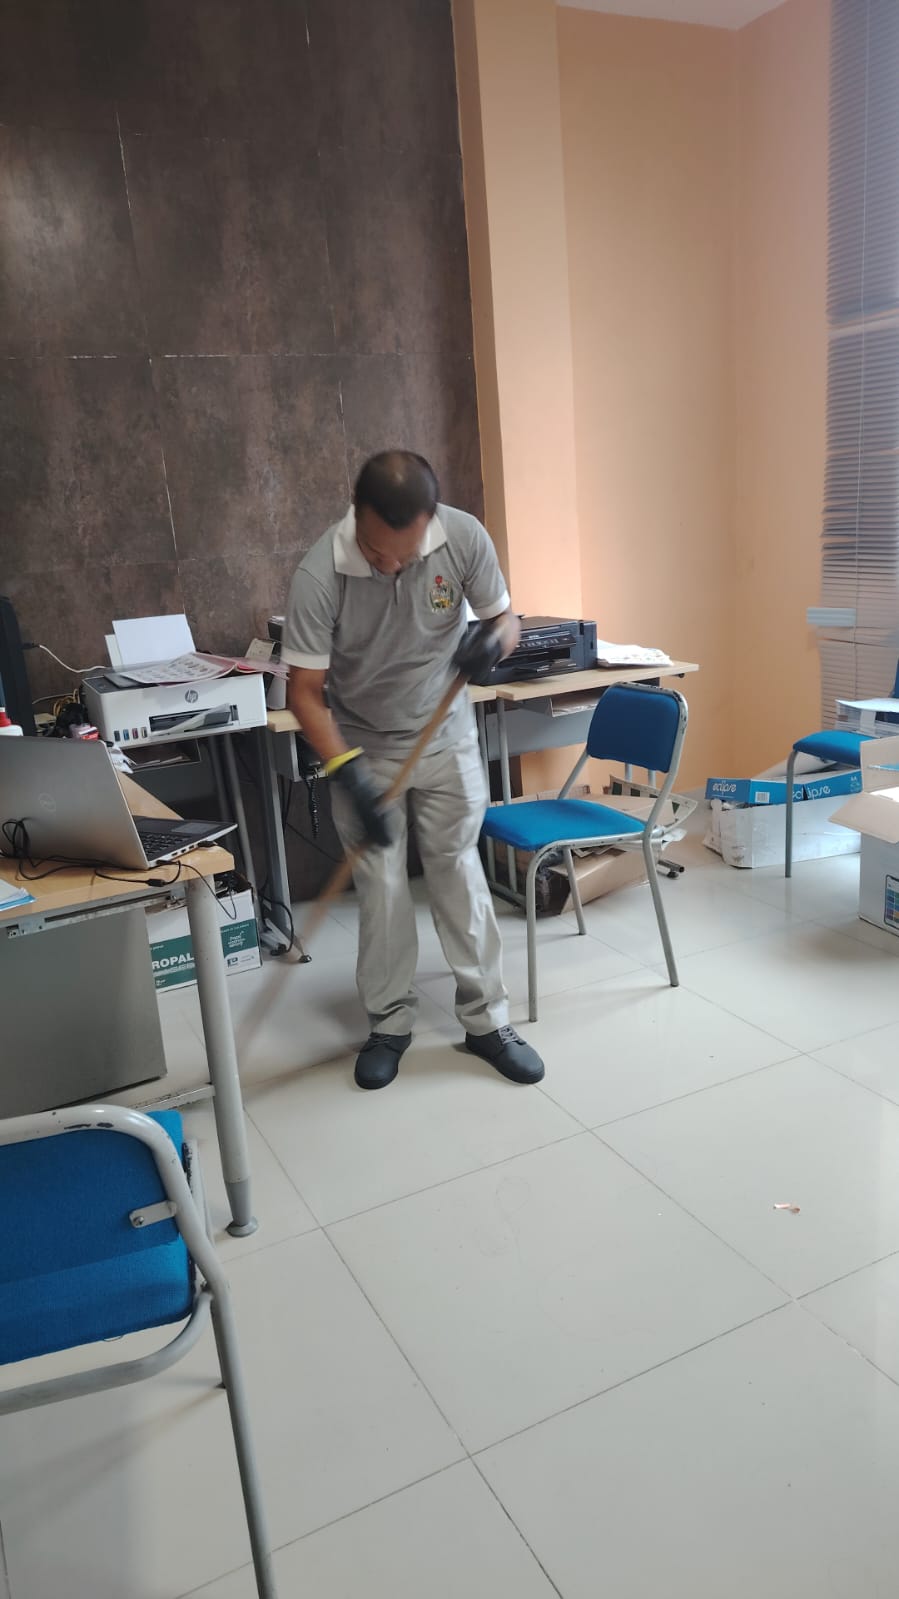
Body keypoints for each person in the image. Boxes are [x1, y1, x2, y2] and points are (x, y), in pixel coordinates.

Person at [283, 450, 545, 1091]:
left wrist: (494, 641)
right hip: (364, 748)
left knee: (459, 873)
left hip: (447, 738)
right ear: (357, 515)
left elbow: (506, 619)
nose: (391, 566)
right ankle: (389, 1024)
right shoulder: (319, 575)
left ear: (430, 521)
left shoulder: (463, 537)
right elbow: (304, 693)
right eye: (377, 553)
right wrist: (347, 772)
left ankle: (487, 1022)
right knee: (381, 887)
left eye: (405, 555)